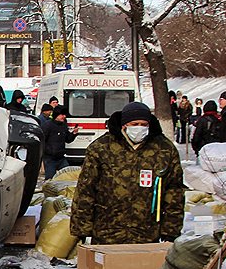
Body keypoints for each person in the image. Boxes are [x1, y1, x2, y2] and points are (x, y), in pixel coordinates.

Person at [71, 102, 183, 245]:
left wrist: (171, 231)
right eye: (134, 124)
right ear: (124, 125)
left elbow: (174, 192)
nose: (139, 128)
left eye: (144, 124)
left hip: (147, 233)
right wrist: (82, 228)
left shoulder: (164, 149)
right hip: (107, 232)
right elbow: (85, 190)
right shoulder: (101, 148)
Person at [41, 105, 79, 180]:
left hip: (61, 157)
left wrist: (74, 134)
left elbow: (68, 140)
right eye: (62, 114)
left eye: (65, 115)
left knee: (68, 176)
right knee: (50, 180)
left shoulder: (64, 125)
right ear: (57, 115)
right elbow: (42, 141)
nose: (64, 116)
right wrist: (46, 152)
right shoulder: (47, 125)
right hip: (50, 159)